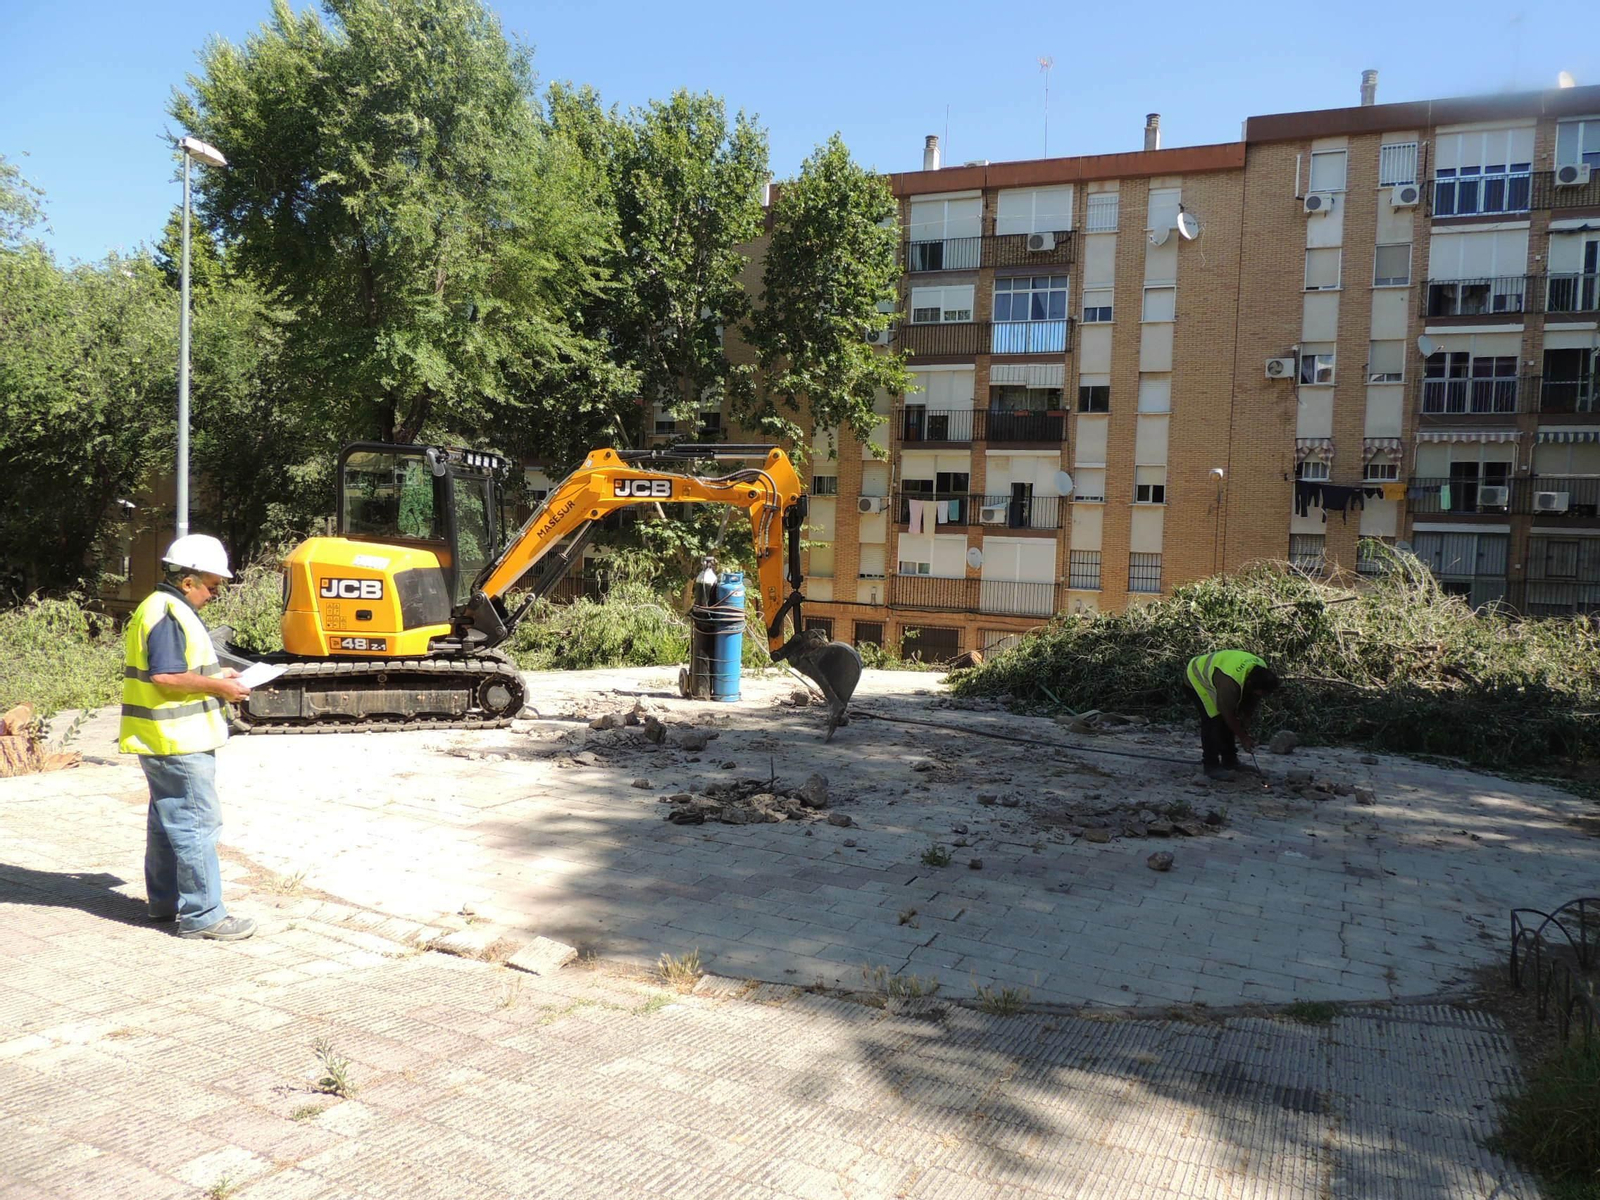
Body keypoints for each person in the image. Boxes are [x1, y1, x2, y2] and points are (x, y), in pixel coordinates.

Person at [119, 535, 255, 940]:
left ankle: (165, 903)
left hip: (165, 737)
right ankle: (205, 915)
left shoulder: (162, 608)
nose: (215, 594)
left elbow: (178, 670)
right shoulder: (168, 613)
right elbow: (165, 676)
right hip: (179, 740)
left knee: (166, 822)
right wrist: (221, 689)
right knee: (196, 823)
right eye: (212, 586)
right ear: (188, 581)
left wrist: (216, 678)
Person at [1185, 650, 1279, 780]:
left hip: (1220, 675)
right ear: (1250, 684)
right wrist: (1243, 737)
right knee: (1214, 719)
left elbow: (1251, 699)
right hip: (1196, 677)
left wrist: (1245, 723)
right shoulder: (1230, 683)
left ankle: (1230, 761)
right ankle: (1210, 764)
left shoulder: (1260, 670)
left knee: (1228, 721)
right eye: (1261, 693)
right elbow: (1227, 714)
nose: (1261, 696)